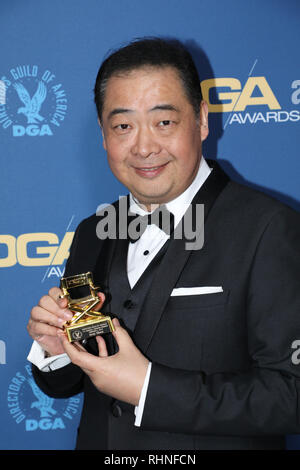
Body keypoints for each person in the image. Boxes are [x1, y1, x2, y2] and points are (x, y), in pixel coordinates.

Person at [27, 37, 300, 450]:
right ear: (103, 136)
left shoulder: (269, 227)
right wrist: (58, 351)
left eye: (164, 122)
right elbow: (67, 385)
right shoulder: (92, 231)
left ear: (203, 121)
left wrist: (150, 389)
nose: (143, 146)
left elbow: (291, 396)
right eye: (122, 126)